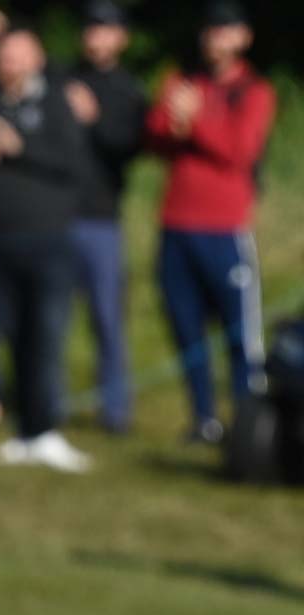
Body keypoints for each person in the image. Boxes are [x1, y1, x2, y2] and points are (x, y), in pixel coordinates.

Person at [0, 26, 92, 474]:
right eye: (4, 55)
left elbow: (73, 163)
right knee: (2, 334)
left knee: (46, 336)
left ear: (37, 60)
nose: (9, 63)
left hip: (48, 239)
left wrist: (18, 149)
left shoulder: (55, 103)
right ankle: (15, 425)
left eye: (19, 56)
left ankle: (45, 428)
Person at [146, 0, 276, 445]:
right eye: (210, 30)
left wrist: (195, 118)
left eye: (226, 30)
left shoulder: (254, 92)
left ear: (243, 38)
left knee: (239, 332)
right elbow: (157, 135)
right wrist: (176, 116)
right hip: (176, 225)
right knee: (186, 327)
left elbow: (238, 150)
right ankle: (203, 418)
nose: (215, 38)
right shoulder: (185, 82)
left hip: (224, 230)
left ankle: (249, 425)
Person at [64, 1, 147, 436]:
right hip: (56, 215)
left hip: (100, 220)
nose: (97, 36)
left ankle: (115, 411)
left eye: (106, 29)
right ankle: (48, 404)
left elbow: (128, 149)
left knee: (107, 318)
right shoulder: (61, 78)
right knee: (52, 317)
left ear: (121, 38)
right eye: (92, 27)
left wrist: (93, 119)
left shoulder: (129, 91)